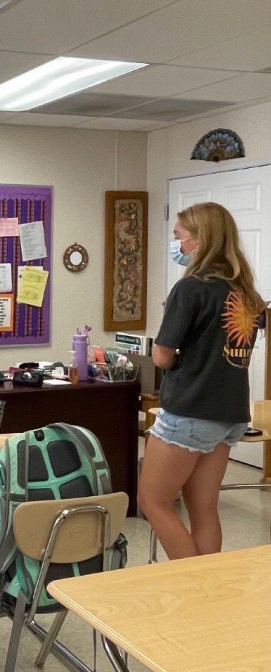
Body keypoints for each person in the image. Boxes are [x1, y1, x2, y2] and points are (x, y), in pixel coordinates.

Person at [138, 202, 264, 560]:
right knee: (203, 507)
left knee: (154, 501)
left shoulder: (191, 288)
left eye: (179, 236)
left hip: (190, 410)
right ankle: (208, 591)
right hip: (229, 414)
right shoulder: (246, 293)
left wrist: (181, 356)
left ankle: (190, 584)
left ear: (199, 239)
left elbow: (162, 355)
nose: (177, 245)